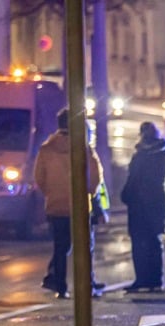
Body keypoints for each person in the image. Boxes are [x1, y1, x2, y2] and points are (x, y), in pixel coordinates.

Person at [34, 107, 104, 299]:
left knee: (60, 248)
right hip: (80, 207)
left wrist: (51, 193)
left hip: (56, 206)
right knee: (85, 248)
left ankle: (61, 287)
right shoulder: (84, 148)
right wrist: (90, 193)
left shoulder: (47, 149)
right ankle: (87, 286)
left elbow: (39, 177)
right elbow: (95, 177)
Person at [120, 121, 165, 292]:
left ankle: (142, 278)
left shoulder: (140, 155)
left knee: (139, 242)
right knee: (154, 241)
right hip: (159, 200)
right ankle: (156, 279)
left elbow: (133, 179)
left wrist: (126, 196)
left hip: (139, 203)